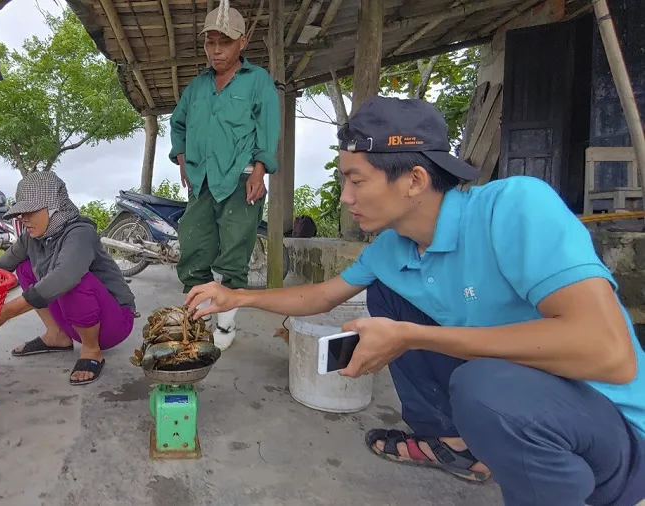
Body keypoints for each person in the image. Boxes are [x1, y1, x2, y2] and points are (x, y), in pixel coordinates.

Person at [185, 96, 645, 506]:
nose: (345, 198)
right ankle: (454, 442)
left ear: (414, 179)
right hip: (522, 393)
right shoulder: (394, 246)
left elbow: (609, 354)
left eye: (356, 181)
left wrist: (409, 336)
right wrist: (236, 296)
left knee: (485, 391)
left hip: (613, 432)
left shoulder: (515, 207)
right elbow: (323, 295)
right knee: (389, 292)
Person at [168, 5, 280, 351]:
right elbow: (179, 123)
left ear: (242, 43)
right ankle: (202, 320)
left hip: (241, 178)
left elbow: (267, 128)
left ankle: (226, 328)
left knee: (234, 252)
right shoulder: (197, 86)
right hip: (201, 180)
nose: (216, 50)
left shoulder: (257, 80)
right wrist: (183, 158)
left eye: (225, 43)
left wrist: (260, 172)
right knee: (193, 249)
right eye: (210, 43)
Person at [0, 170, 136, 385]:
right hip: (71, 319)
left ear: (54, 208)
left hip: (114, 323)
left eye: (30, 211)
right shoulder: (30, 238)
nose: (24, 219)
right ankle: (56, 335)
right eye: (21, 213)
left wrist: (7, 311)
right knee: (24, 267)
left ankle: (91, 350)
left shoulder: (80, 233)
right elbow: (0, 270)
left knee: (70, 280)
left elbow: (65, 277)